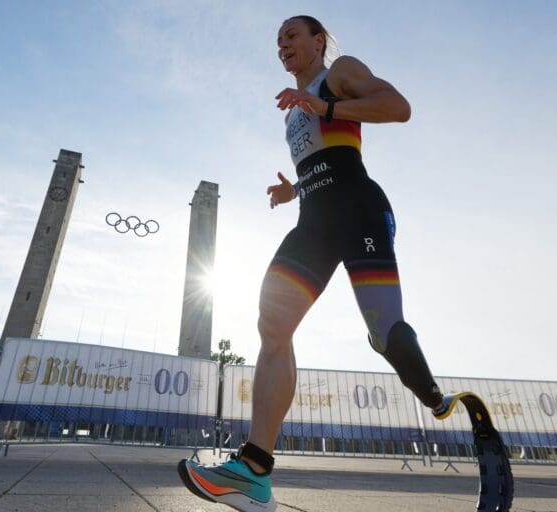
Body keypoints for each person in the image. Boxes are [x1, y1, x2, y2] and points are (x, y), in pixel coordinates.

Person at [178, 15, 447, 511]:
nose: (282, 45)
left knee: (387, 334)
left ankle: (434, 396)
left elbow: (398, 107)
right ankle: (255, 471)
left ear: (318, 41)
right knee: (272, 323)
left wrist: (326, 103)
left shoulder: (339, 71)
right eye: (278, 40)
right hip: (314, 219)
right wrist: (293, 188)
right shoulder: (290, 112)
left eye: (292, 35)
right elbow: (323, 155)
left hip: (359, 208)